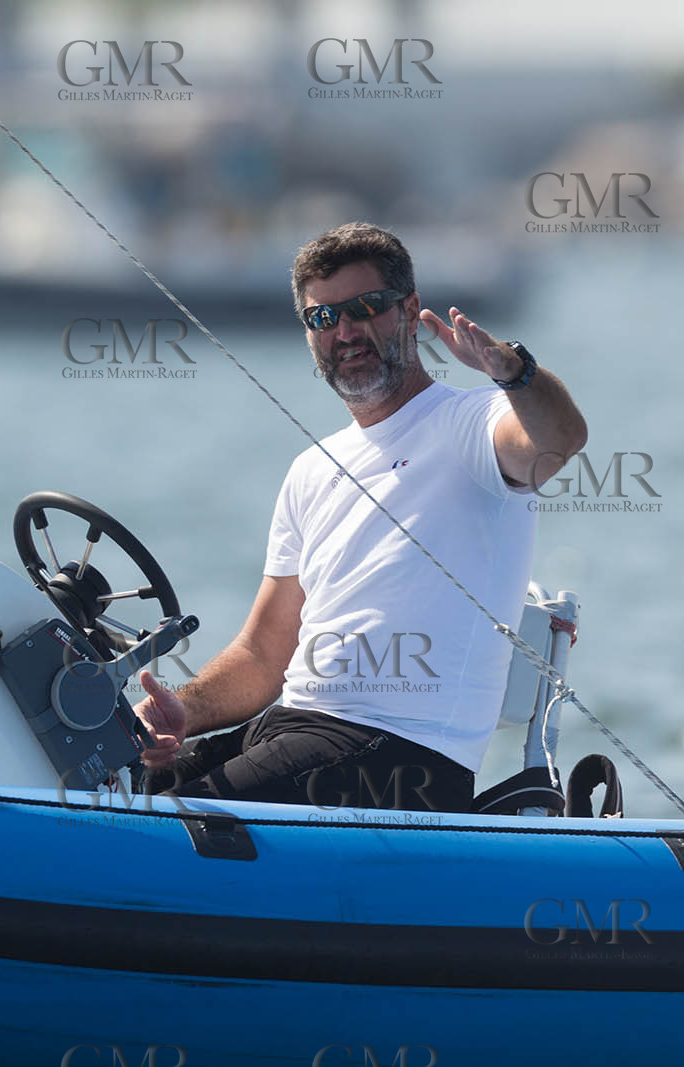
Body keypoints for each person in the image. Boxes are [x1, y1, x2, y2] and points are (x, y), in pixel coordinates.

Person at [133, 222, 588, 813]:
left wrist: (515, 374)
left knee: (173, 818)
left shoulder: (472, 423)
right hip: (289, 729)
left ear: (409, 311)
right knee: (117, 787)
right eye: (323, 319)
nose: (345, 332)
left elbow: (562, 439)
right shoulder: (310, 469)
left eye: (365, 309)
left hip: (404, 755)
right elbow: (264, 654)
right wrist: (183, 710)